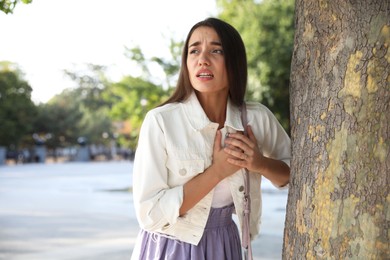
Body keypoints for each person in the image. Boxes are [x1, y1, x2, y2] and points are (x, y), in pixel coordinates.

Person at [131, 17, 291, 260]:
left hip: (225, 244)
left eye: (216, 50)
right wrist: (217, 171)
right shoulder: (161, 122)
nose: (202, 59)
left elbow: (295, 173)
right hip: (171, 246)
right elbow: (149, 214)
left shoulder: (256, 118)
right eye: (194, 50)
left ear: (234, 62)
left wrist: (259, 163)